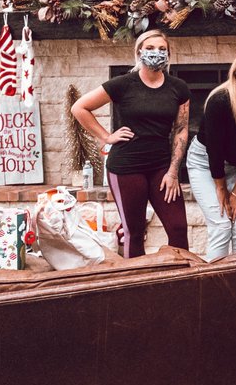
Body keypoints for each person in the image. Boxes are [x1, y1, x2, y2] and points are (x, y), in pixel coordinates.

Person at [71, 30, 191, 257]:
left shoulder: (178, 87)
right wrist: (106, 137)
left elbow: (181, 129)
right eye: (150, 48)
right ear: (139, 52)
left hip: (161, 167)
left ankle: (179, 277)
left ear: (168, 54)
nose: (156, 53)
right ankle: (136, 278)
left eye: (162, 49)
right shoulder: (123, 84)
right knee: (134, 233)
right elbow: (79, 108)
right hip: (126, 167)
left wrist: (173, 171)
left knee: (178, 228)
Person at [186, 48, 236, 260]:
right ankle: (215, 279)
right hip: (206, 163)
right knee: (222, 224)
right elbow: (214, 150)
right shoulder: (220, 100)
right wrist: (221, 188)